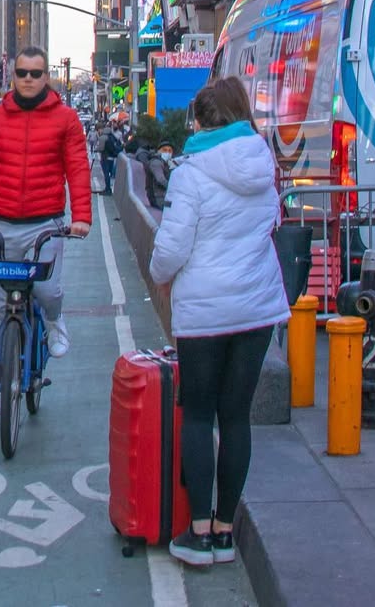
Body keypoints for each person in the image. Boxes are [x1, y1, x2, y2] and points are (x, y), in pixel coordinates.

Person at [149, 77, 289, 569]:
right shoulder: (264, 163)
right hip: (255, 310)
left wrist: (160, 277)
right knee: (236, 418)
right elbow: (272, 222)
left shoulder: (191, 172)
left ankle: (199, 533)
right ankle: (227, 531)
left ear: (205, 120)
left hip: (205, 312)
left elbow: (170, 249)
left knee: (200, 415)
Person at [0, 46, 92, 417]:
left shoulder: (66, 120)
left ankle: (54, 321)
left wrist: (81, 217)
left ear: (47, 77)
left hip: (45, 224)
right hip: (1, 224)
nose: (28, 79)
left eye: (36, 73)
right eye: (22, 73)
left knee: (47, 290)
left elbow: (77, 168)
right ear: (12, 76)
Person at [100, 124, 122, 196]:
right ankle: (108, 188)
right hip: (111, 158)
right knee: (108, 174)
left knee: (106, 174)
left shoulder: (106, 139)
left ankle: (108, 189)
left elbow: (104, 148)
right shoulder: (113, 138)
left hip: (105, 158)